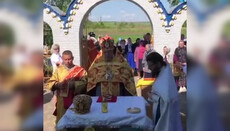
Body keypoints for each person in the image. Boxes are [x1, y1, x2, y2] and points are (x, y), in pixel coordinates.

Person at [47, 50, 87, 123]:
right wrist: (57, 84)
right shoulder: (58, 70)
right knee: (63, 121)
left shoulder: (80, 70)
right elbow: (50, 82)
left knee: (75, 122)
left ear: (73, 58)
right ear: (62, 59)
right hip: (62, 101)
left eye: (69, 59)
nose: (68, 61)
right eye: (65, 59)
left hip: (76, 100)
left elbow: (85, 83)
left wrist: (74, 84)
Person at [146, 52, 183, 131]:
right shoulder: (164, 70)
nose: (149, 68)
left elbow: (167, 99)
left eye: (151, 65)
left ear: (158, 63)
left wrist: (153, 97)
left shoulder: (165, 76)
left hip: (165, 111)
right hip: (165, 108)